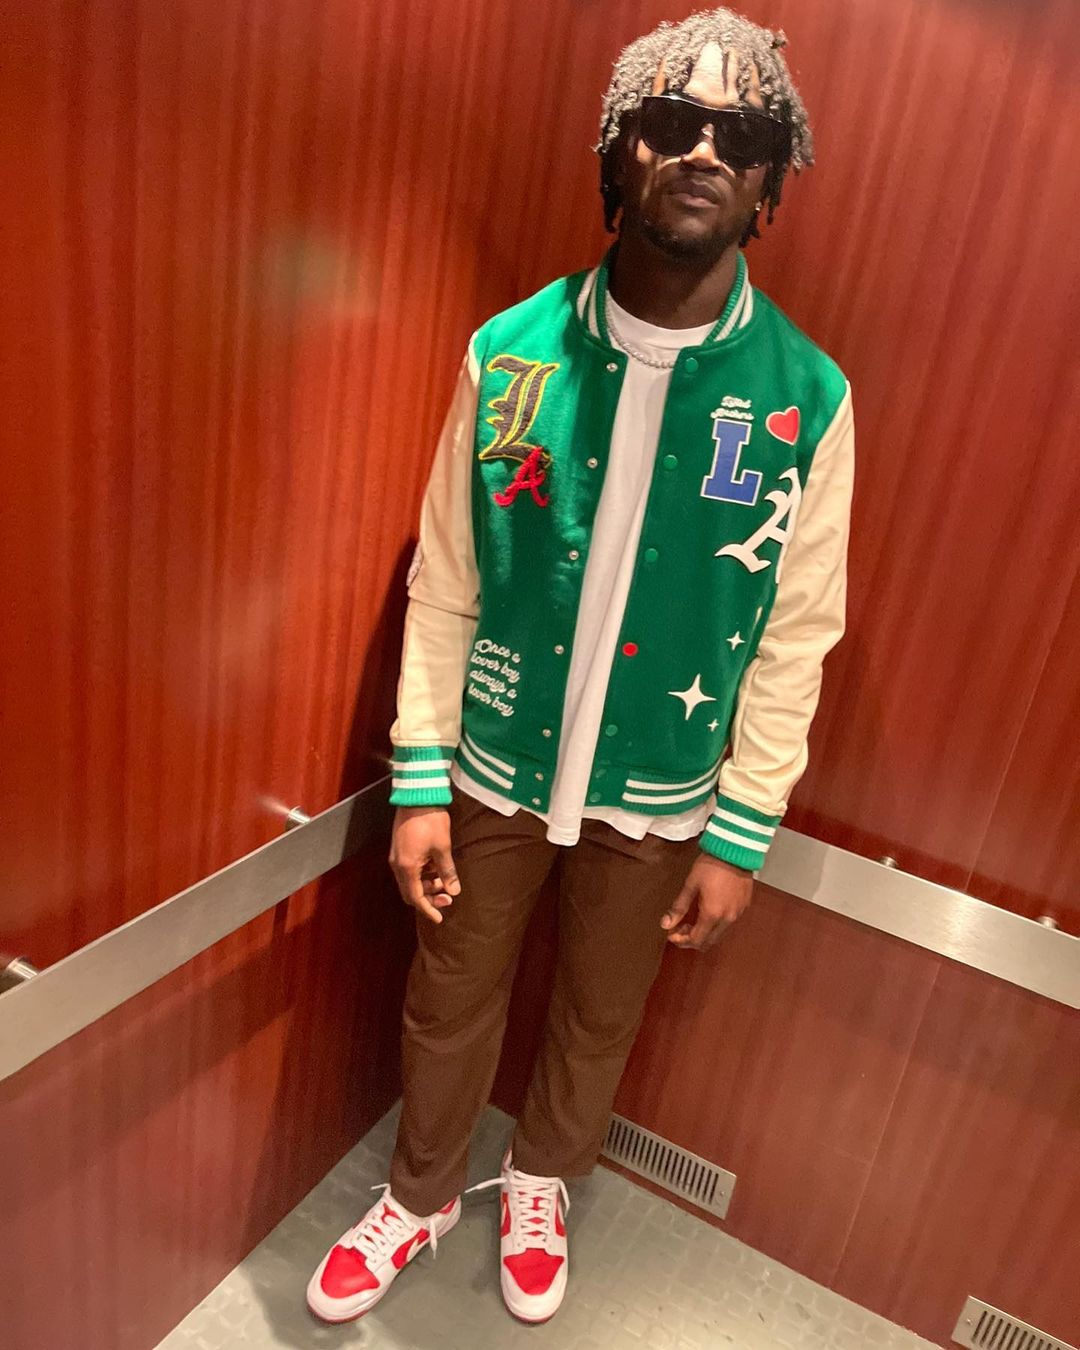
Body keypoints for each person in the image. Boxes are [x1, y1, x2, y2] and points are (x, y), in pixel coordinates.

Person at [307, 5, 854, 1328]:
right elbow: (446, 576)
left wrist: (743, 829)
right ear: (618, 154)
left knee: (602, 1013)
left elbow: (798, 630)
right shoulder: (510, 354)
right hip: (494, 754)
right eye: (670, 121)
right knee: (450, 994)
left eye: (742, 133)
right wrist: (420, 778)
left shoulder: (809, 397)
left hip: (664, 782)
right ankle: (423, 1192)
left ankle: (542, 1178)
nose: (704, 150)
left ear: (771, 184)